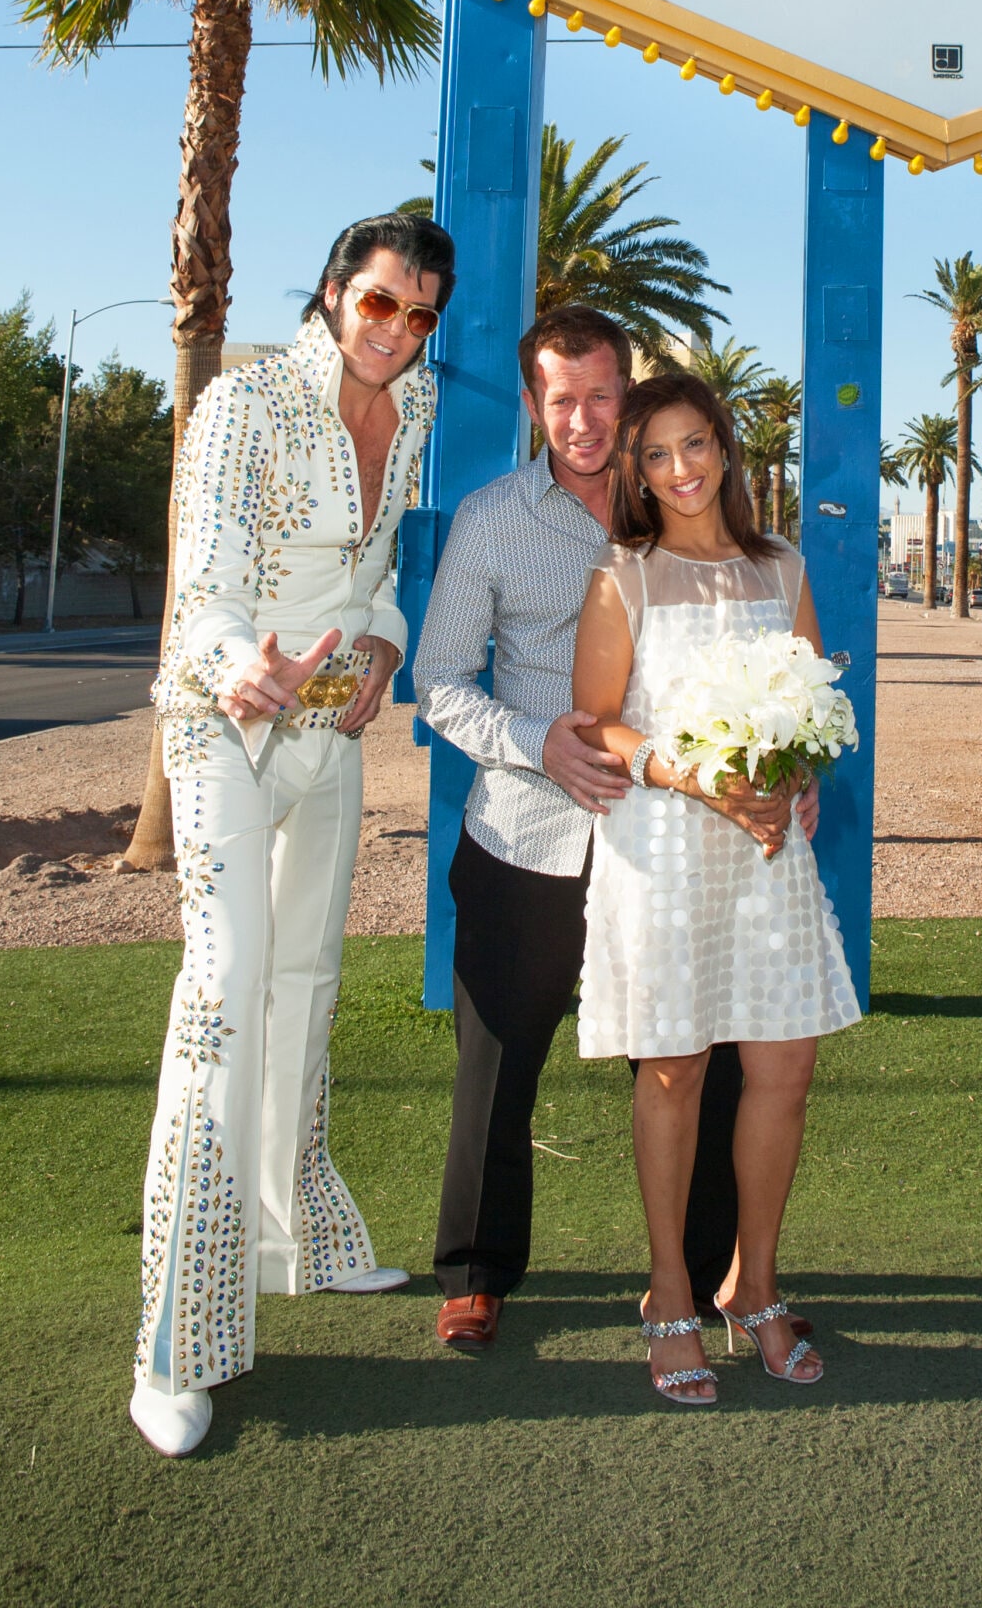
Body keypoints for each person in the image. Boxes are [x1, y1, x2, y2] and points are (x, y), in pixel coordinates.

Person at [415, 306, 819, 1352]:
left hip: (682, 848)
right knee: (500, 1061)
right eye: (562, 400)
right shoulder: (493, 518)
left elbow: (772, 671)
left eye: (602, 395)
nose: (585, 419)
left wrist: (785, 768)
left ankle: (703, 1277)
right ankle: (476, 1272)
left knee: (700, 1063)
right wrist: (531, 741)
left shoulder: (679, 508)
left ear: (626, 394)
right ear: (533, 404)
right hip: (529, 835)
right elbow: (438, 683)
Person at [129, 213, 452, 1459]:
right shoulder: (243, 404)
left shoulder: (412, 410)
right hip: (222, 724)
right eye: (378, 305)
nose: (397, 333)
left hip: (329, 726)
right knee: (224, 991)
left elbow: (374, 574)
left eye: (419, 316)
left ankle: (291, 1239)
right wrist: (233, 664)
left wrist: (378, 646)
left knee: (309, 985)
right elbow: (202, 584)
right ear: (332, 294)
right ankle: (172, 1341)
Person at [572, 371, 859, 1405]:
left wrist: (796, 777)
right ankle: (669, 1292)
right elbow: (596, 720)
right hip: (666, 851)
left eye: (695, 445)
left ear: (726, 450)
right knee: (674, 1073)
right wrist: (698, 777)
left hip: (768, 852)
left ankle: (757, 1283)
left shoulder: (780, 566)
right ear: (636, 473)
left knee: (783, 1070)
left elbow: (811, 697)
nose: (680, 469)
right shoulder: (625, 576)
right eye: (655, 454)